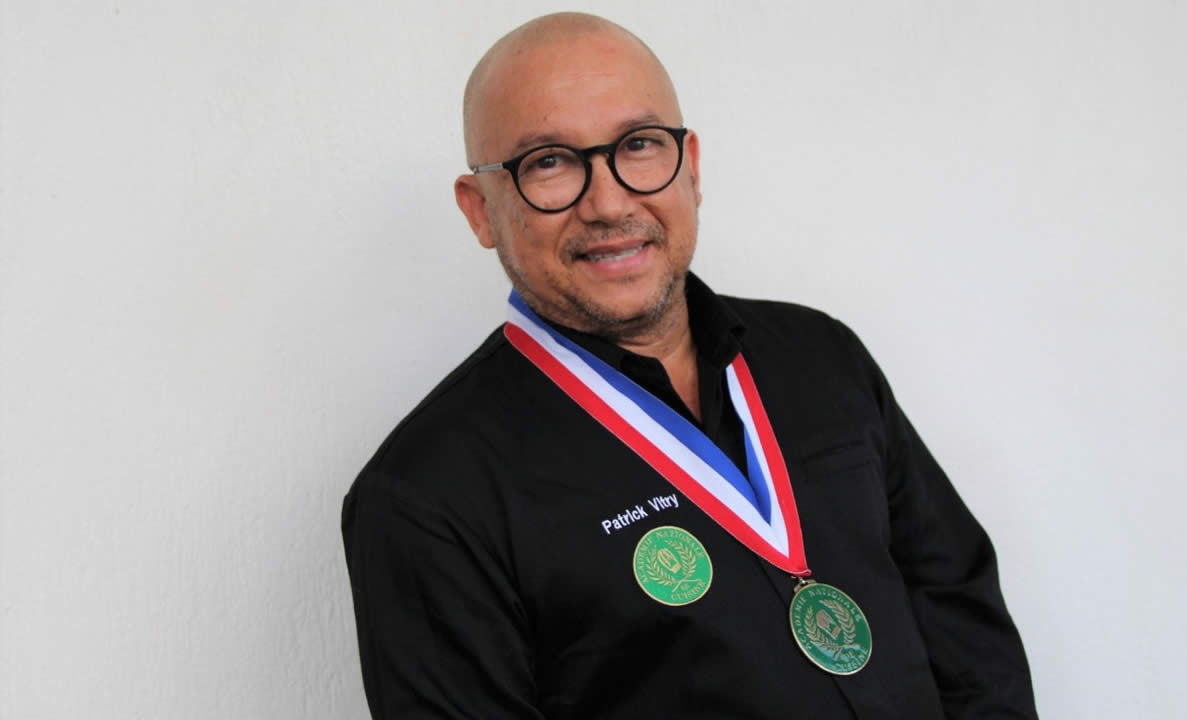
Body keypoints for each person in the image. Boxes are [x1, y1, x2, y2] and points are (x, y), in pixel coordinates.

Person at [342, 12, 1037, 720]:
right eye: (548, 162)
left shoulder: (823, 355)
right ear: (480, 211)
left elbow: (963, 621)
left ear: (691, 167)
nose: (608, 202)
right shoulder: (425, 496)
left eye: (639, 145)